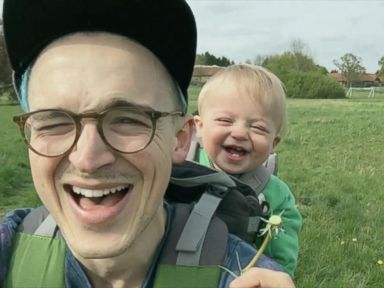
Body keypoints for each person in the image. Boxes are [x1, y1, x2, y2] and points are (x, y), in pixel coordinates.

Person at [0, 0, 295, 287]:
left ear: (180, 139)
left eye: (128, 119)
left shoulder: (235, 274)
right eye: (54, 121)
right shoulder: (10, 246)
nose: (87, 158)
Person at [193, 64, 302, 277]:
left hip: (237, 276)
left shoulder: (275, 195)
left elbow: (282, 258)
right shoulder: (177, 172)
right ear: (199, 126)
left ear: (273, 143)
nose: (240, 133)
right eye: (225, 120)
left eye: (258, 128)